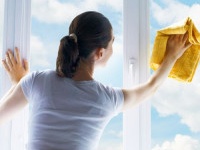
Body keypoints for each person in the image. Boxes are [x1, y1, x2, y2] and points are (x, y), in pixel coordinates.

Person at [0, 11, 191, 150]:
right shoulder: (105, 99)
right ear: (100, 53)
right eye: (112, 42)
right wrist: (172, 56)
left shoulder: (36, 82)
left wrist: (22, 84)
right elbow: (151, 87)